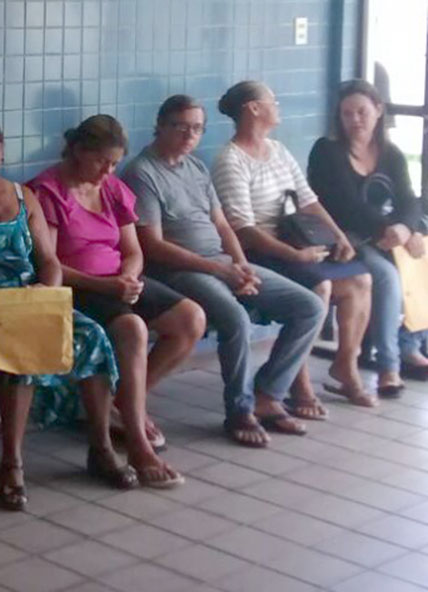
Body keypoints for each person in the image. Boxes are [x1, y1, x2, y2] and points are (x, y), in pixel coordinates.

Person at [0, 115, 175, 512]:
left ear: (2, 150)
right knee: (20, 344)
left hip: (31, 298)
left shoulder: (23, 196)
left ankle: (101, 447)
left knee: (92, 336)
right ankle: (11, 464)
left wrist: (46, 290)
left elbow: (48, 260)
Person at [127, 95, 326, 447]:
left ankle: (268, 394)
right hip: (178, 270)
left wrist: (240, 265)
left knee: (309, 306)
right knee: (235, 319)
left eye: (197, 129)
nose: (189, 135)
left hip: (221, 262)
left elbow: (222, 225)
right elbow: (153, 246)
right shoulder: (142, 172)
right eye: (180, 126)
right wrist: (221, 272)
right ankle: (239, 410)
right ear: (159, 126)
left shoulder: (196, 168)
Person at [25, 115, 202, 479]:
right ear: (77, 151)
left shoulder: (112, 189)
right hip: (77, 287)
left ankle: (123, 403)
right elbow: (49, 264)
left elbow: (133, 250)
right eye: (100, 161)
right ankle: (137, 444)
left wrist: (129, 276)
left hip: (118, 280)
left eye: (114, 163)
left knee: (190, 319)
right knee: (132, 329)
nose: (107, 171)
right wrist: (107, 286)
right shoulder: (48, 191)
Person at [211, 80, 374, 411]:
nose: (277, 106)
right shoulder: (231, 160)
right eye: (272, 101)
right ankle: (295, 386)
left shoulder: (278, 150)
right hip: (262, 251)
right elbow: (244, 230)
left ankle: (346, 367)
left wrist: (338, 236)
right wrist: (295, 255)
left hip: (297, 242)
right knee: (320, 288)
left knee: (360, 280)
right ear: (254, 108)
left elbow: (308, 201)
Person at [308, 79, 428, 396]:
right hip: (344, 239)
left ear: (378, 110)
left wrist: (407, 229)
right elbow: (346, 206)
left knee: (422, 254)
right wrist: (389, 230)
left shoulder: (391, 153)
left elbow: (409, 199)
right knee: (386, 275)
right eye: (347, 114)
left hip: (386, 235)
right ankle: (389, 367)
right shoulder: (327, 151)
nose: (355, 120)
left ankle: (411, 342)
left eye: (362, 112)